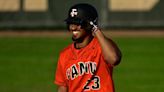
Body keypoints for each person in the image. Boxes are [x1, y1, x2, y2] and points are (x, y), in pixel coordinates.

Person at [54, 3, 122, 92]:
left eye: (78, 23)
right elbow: (63, 86)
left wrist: (96, 30)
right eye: (71, 23)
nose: (73, 27)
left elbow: (114, 59)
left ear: (89, 25)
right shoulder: (65, 55)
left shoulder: (102, 47)